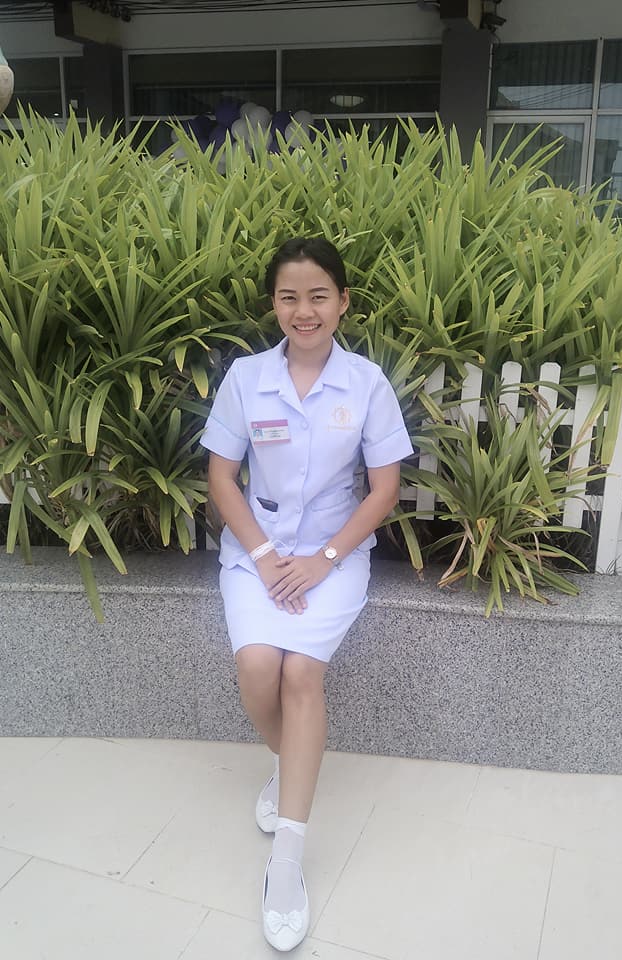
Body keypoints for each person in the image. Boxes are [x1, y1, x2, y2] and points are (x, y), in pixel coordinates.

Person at [200, 236, 413, 952]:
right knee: (259, 667)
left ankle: (286, 865)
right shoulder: (246, 378)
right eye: (289, 297)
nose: (304, 310)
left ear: (343, 302)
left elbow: (384, 489)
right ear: (274, 304)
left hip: (334, 555)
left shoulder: (367, 384)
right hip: (255, 554)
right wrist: (264, 558)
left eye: (319, 295)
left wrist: (322, 560)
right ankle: (289, 761)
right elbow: (221, 477)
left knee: (300, 676)